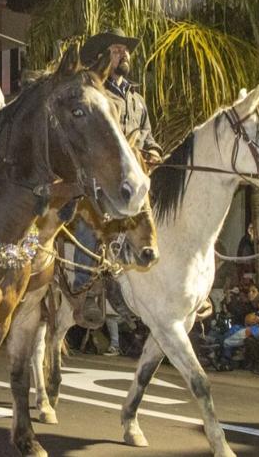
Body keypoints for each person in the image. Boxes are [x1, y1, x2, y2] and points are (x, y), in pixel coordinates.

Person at [72, 28, 163, 323]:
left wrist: (154, 151)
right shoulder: (99, 94)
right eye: (115, 50)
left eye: (125, 50)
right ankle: (84, 287)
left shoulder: (137, 98)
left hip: (135, 173)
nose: (123, 54)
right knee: (92, 221)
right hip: (105, 174)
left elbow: (148, 134)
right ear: (103, 57)